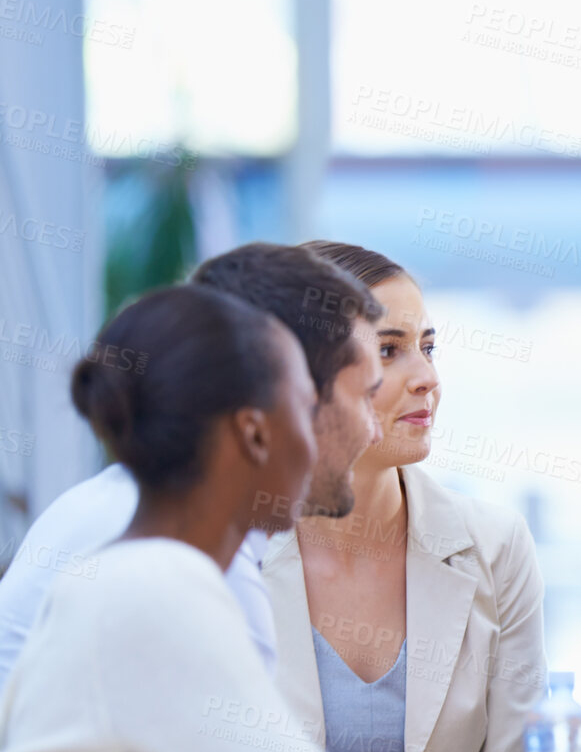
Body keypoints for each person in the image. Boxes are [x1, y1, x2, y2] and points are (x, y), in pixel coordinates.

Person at [0, 286, 461, 752]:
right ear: (255, 433)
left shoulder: (125, 573)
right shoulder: (171, 595)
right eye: (311, 408)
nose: (344, 431)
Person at [263, 242, 559, 752]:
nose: (427, 377)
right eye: (389, 350)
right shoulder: (231, 551)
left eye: (427, 346)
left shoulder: (492, 545)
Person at [0, 243, 385, 692]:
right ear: (282, 391)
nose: (374, 432)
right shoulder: (197, 566)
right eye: (366, 396)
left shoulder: (123, 507)